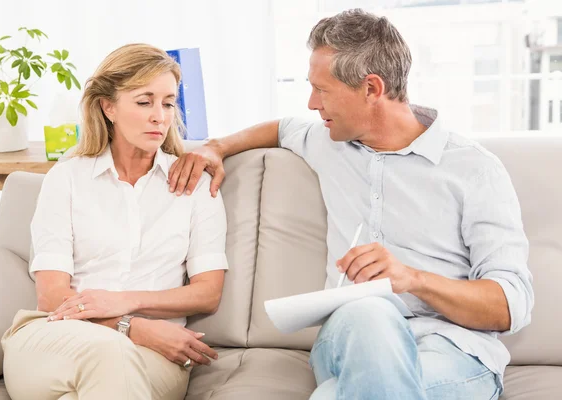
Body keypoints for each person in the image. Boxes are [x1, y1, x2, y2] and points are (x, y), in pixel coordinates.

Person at [167, 9, 533, 400]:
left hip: (453, 351)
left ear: (371, 88)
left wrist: (412, 279)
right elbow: (281, 128)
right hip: (351, 336)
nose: (311, 103)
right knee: (370, 308)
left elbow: (511, 305)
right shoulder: (328, 141)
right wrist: (215, 147)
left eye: (322, 90)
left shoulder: (474, 170)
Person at [1, 43, 228, 400]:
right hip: (58, 336)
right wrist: (131, 327)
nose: (160, 116)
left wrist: (123, 302)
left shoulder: (194, 184)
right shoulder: (67, 178)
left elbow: (207, 294)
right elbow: (52, 295)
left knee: (106, 369)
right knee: (111, 350)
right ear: (108, 107)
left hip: (157, 354)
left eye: (168, 102)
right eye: (144, 101)